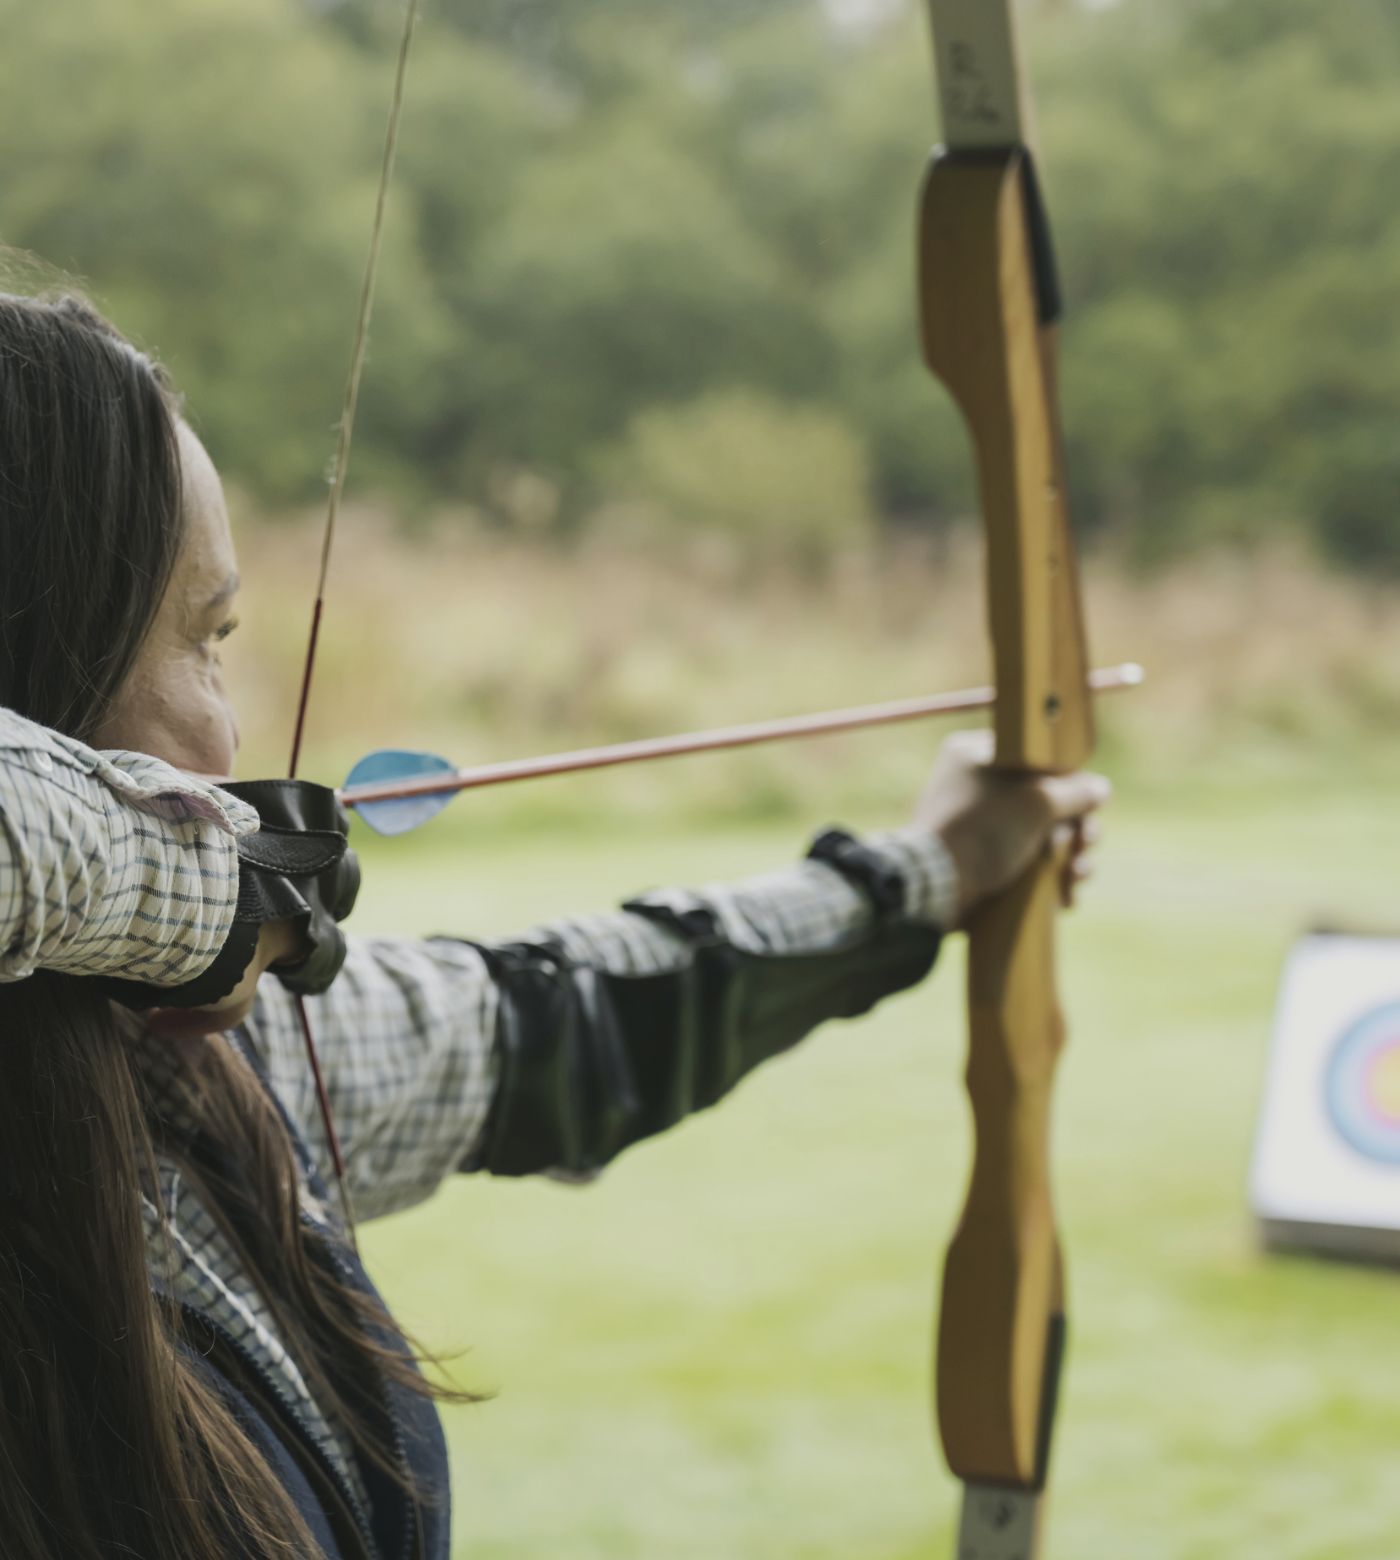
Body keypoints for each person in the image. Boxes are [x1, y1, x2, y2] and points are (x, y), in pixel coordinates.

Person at [0, 292, 1110, 1560]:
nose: (234, 743)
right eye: (203, 640)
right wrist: (201, 889)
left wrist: (919, 876)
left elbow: (564, 1016)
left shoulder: (196, 1083)